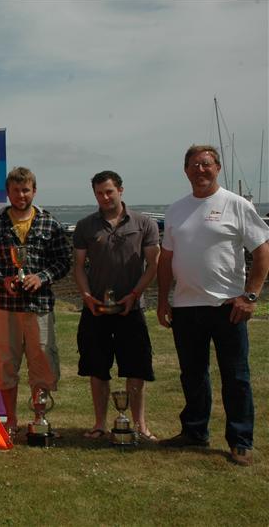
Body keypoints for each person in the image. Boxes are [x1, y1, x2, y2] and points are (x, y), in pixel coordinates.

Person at [157, 144, 269, 466]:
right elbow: (166, 259)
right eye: (193, 164)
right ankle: (194, 431)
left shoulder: (236, 205)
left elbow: (262, 251)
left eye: (206, 164)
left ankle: (241, 440)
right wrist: (164, 299)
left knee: (235, 376)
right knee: (192, 374)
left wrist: (250, 297)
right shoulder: (175, 210)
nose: (200, 170)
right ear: (186, 170)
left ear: (217, 168)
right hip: (186, 306)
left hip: (227, 306)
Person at [0, 166, 72, 436]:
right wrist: (1, 280)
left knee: (42, 359)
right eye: (16, 190)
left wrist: (42, 277)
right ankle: (12, 421)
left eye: (25, 189)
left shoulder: (50, 223)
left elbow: (65, 261)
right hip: (6, 306)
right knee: (4, 362)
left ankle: (39, 420)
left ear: (34, 191)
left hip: (39, 306)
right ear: (8, 192)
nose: (21, 195)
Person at [73, 171, 160, 441]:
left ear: (121, 190)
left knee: (136, 368)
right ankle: (99, 424)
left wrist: (134, 294)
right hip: (96, 310)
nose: (105, 197)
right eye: (99, 193)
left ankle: (139, 424)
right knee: (97, 368)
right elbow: (78, 267)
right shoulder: (85, 225)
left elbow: (153, 265)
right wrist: (87, 296)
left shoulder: (145, 223)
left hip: (131, 309)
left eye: (109, 191)